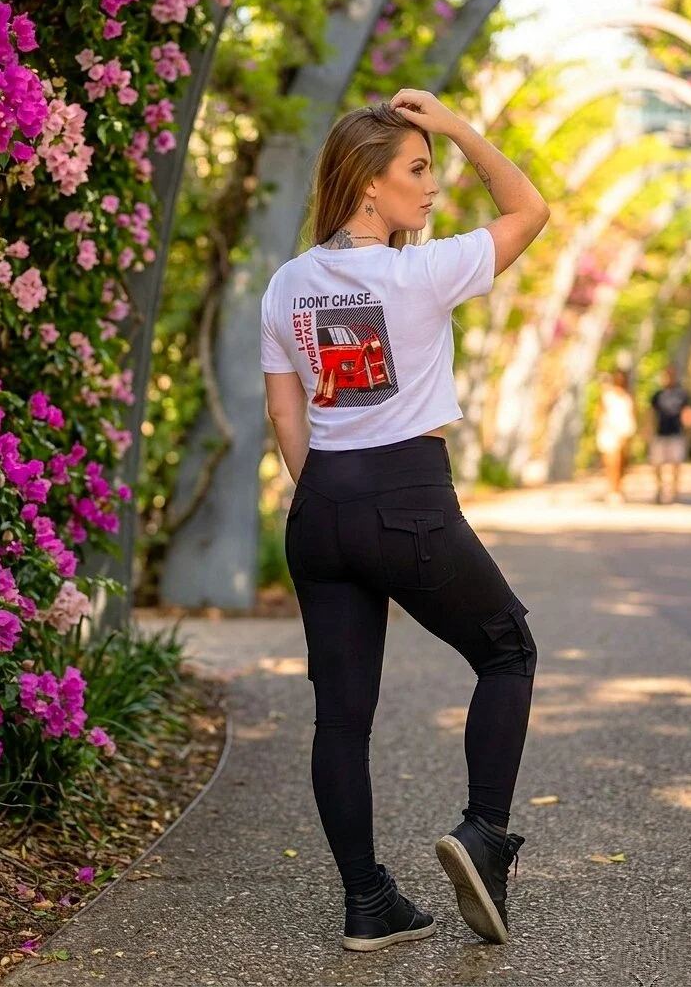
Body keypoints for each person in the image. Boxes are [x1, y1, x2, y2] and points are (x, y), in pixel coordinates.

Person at [260, 89, 549, 952]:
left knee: (341, 717)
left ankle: (367, 904)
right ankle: (484, 836)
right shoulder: (423, 272)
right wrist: (459, 126)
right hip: (408, 500)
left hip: (320, 506)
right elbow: (529, 209)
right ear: (367, 186)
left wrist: (333, 501)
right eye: (417, 170)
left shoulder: (286, 285)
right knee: (508, 649)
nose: (431, 187)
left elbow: (285, 418)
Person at [646, 363, 691, 504]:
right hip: (660, 433)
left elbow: (688, 413)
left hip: (676, 433)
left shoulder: (682, 394)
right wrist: (648, 430)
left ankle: (674, 492)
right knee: (657, 463)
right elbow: (650, 414)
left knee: (676, 464)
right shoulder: (657, 395)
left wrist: (688, 429)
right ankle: (660, 489)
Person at [594, 369, 637, 504]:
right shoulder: (607, 396)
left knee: (621, 464)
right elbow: (600, 413)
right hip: (609, 432)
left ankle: (618, 489)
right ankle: (612, 490)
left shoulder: (627, 397)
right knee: (611, 462)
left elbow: (632, 414)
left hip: (623, 433)